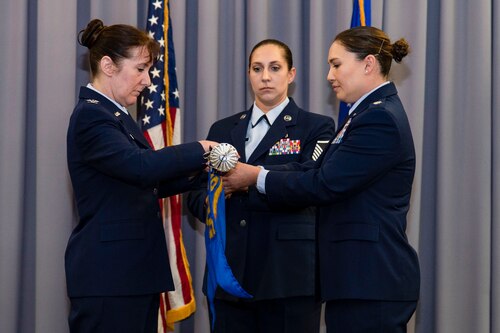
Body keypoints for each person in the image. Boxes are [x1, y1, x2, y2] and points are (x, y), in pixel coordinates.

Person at [223, 26, 420, 333]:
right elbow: (316, 173)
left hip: (370, 280)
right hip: (355, 279)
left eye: (336, 64)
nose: (330, 75)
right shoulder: (363, 114)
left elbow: (324, 184)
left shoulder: (378, 118)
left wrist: (256, 176)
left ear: (368, 64)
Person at [65, 19, 217, 333]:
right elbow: (141, 167)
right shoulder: (92, 117)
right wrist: (200, 149)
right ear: (108, 65)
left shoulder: (115, 116)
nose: (147, 81)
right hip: (109, 277)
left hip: (130, 274)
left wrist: (202, 172)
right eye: (140, 69)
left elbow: (147, 183)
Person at [187, 39, 335, 332]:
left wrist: (247, 182)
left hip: (287, 278)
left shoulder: (316, 127)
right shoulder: (222, 129)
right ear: (248, 74)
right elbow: (195, 192)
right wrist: (213, 200)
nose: (265, 76)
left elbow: (308, 183)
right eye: (257, 68)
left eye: (274, 68)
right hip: (230, 274)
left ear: (291, 74)